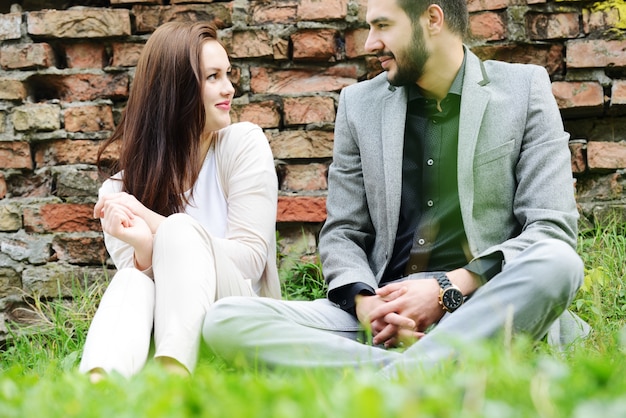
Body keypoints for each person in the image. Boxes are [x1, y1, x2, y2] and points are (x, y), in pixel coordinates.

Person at [202, 0, 589, 377]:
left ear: (432, 19)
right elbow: (343, 234)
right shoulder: (359, 105)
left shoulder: (523, 90)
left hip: (483, 303)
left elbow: (550, 229)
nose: (370, 43)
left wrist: (445, 289)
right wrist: (366, 304)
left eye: (383, 26)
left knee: (559, 262)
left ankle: (388, 379)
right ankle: (426, 371)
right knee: (228, 319)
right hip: (386, 315)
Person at [79, 21, 281, 381]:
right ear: (176, 89)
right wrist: (144, 249)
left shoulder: (242, 144)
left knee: (179, 230)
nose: (229, 88)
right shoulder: (117, 191)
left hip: (239, 318)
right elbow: (147, 303)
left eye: (227, 74)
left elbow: (251, 260)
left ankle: (172, 379)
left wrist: (153, 221)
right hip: (167, 328)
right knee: (131, 282)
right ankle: (99, 384)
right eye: (213, 77)